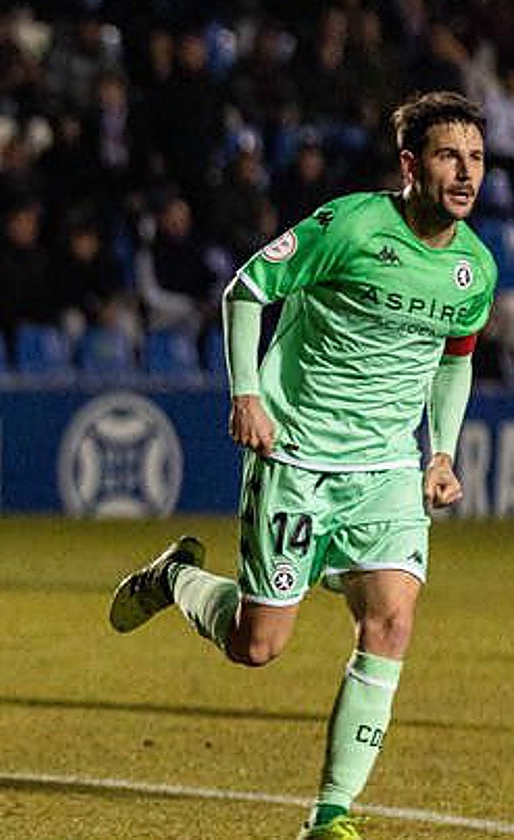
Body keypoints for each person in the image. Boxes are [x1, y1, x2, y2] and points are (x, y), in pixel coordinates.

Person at [108, 90, 494, 840]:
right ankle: (175, 578)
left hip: (387, 470)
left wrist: (441, 449)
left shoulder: (474, 267)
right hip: (297, 456)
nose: (466, 173)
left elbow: (456, 358)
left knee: (391, 622)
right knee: (258, 646)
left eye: (476, 158)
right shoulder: (349, 225)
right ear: (410, 165)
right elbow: (246, 289)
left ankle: (331, 814)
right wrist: (246, 395)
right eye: (449, 156)